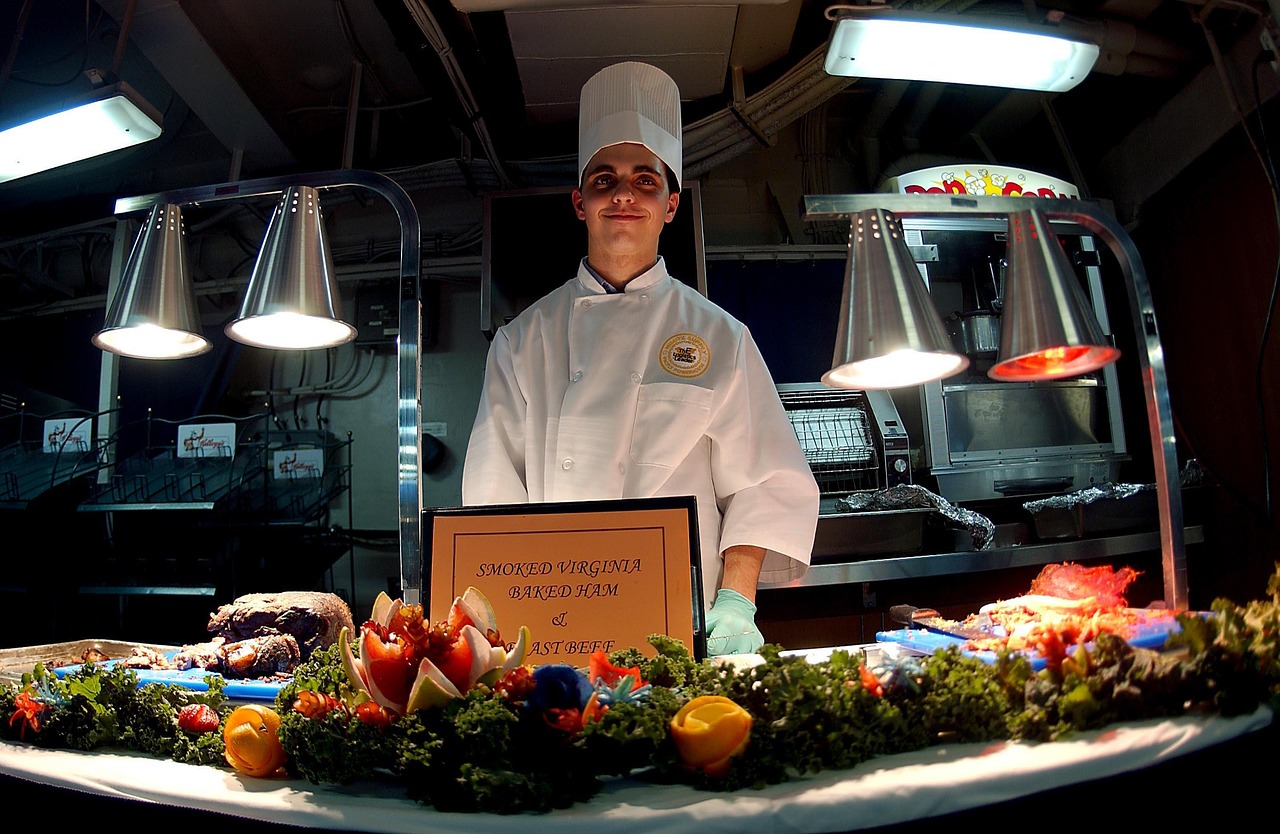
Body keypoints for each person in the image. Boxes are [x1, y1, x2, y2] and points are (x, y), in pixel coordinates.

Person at [462, 61, 819, 655]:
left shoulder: (721, 338)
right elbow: (493, 507)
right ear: (579, 202)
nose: (623, 194)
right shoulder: (522, 342)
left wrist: (735, 603)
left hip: (683, 620)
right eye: (604, 180)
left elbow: (765, 484)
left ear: (671, 204)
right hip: (556, 628)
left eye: (644, 180)